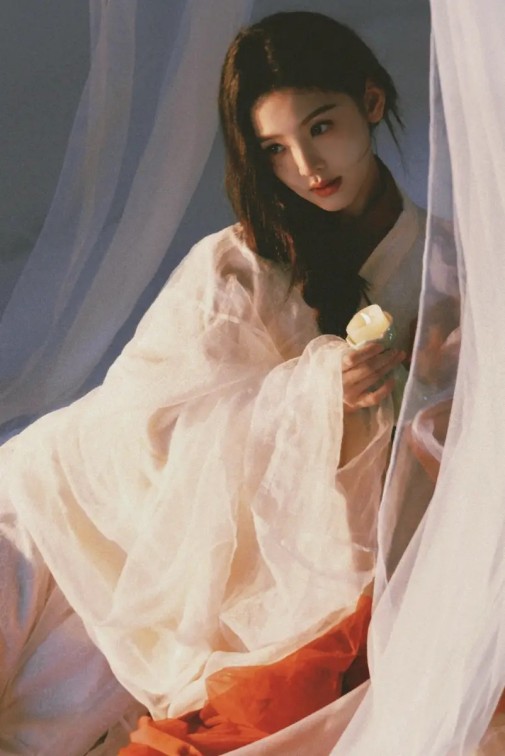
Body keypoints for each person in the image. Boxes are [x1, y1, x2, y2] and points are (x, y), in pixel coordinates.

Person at [0, 11, 425, 755]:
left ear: (371, 101)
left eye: (321, 127)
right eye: (275, 149)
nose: (307, 165)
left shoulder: (440, 267)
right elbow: (149, 426)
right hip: (69, 507)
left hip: (226, 583)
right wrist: (318, 397)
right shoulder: (236, 261)